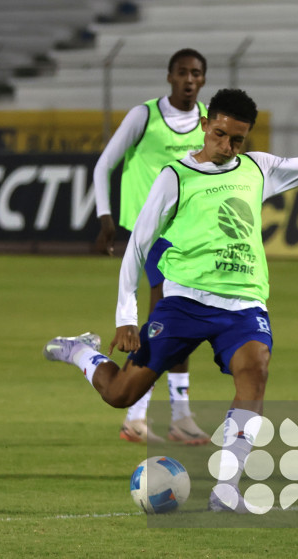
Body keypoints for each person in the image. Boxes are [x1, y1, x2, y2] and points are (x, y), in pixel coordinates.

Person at [45, 88, 298, 512]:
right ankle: (81, 352)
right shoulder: (175, 176)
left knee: (255, 371)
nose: (227, 147)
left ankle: (226, 489)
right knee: (121, 393)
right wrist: (126, 317)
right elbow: (138, 245)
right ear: (207, 125)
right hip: (183, 303)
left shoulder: (259, 168)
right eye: (221, 135)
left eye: (238, 140)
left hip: (243, 306)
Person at [92, 48, 211, 444]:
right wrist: (105, 217)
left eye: (196, 73)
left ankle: (174, 416)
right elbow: (104, 163)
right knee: (167, 316)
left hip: (187, 234)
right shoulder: (145, 116)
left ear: (204, 80)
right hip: (152, 234)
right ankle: (140, 414)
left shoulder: (210, 123)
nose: (189, 79)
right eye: (182, 72)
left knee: (179, 318)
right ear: (169, 77)